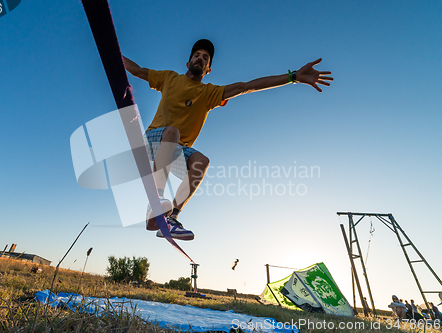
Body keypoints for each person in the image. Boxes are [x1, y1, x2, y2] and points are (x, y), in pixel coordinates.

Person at [123, 39, 333, 240]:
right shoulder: (169, 78)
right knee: (173, 132)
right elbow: (138, 70)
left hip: (176, 151)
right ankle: (155, 203)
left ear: (208, 69)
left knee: (201, 162)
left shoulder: (210, 93)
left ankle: (171, 218)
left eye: (205, 58)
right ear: (188, 62)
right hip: (153, 140)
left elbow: (247, 86)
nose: (200, 59)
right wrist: (114, 54)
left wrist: (293, 76)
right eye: (197, 55)